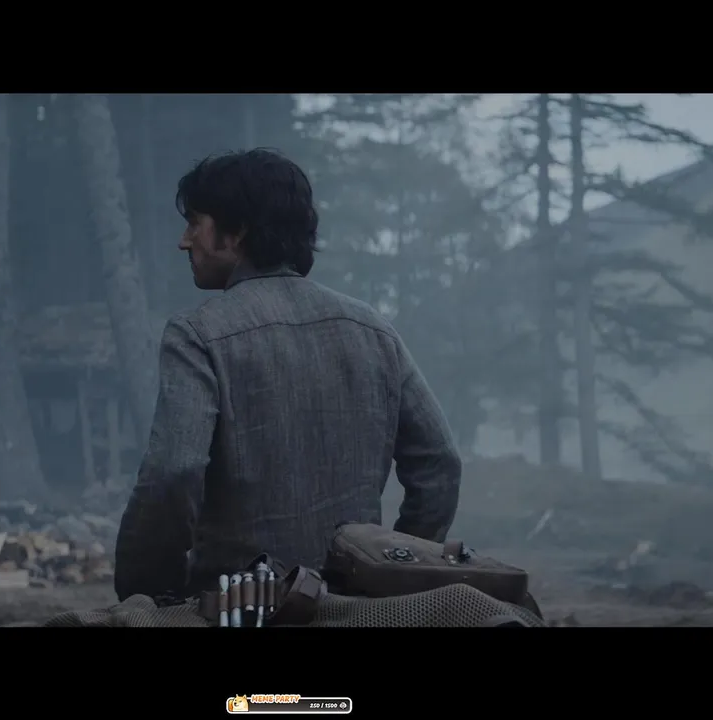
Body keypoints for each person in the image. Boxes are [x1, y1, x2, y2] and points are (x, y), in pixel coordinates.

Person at [113, 149, 462, 602]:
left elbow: (173, 471)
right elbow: (439, 463)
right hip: (353, 611)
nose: (184, 241)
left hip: (236, 608)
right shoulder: (373, 330)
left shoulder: (197, 334)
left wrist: (148, 592)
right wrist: (389, 573)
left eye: (195, 223)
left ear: (237, 231)